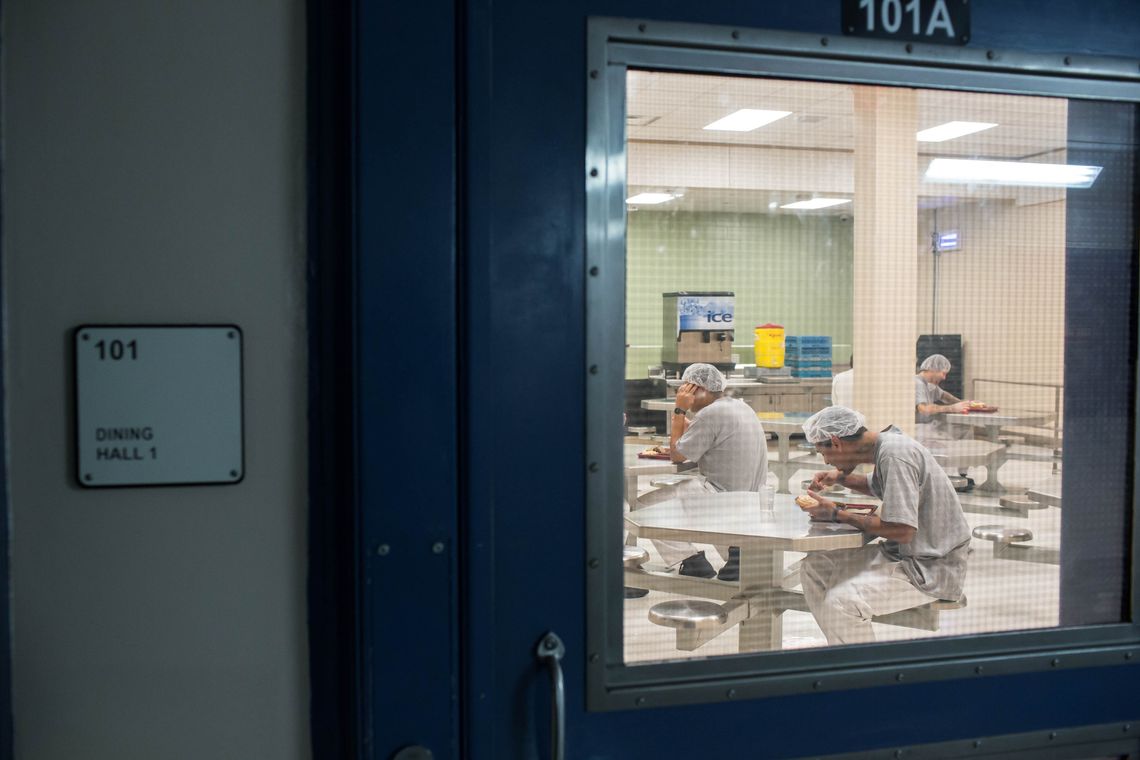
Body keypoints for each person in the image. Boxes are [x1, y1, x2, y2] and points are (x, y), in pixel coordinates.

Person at [795, 406, 971, 645]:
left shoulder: (894, 455)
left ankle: (862, 674)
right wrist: (839, 478)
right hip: (904, 553)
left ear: (836, 442)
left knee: (841, 603)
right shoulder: (889, 443)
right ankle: (842, 651)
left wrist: (837, 513)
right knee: (814, 566)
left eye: (823, 452)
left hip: (930, 566)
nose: (826, 460)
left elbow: (902, 530)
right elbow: (878, 484)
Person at [640, 362, 768, 582]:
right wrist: (687, 422)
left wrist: (679, 411)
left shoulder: (710, 414)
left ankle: (692, 561)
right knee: (682, 494)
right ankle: (736, 555)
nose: (683, 396)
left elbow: (677, 455)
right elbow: (708, 432)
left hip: (720, 496)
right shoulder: (739, 406)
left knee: (644, 507)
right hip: (750, 496)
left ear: (700, 389)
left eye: (685, 390)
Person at [914, 353, 980, 489]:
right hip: (918, 429)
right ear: (932, 369)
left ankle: (963, 474)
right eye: (943, 374)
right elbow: (923, 408)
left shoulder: (930, 385)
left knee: (965, 428)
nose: (944, 377)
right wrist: (952, 408)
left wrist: (966, 403)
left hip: (929, 426)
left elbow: (945, 396)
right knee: (961, 432)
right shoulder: (917, 383)